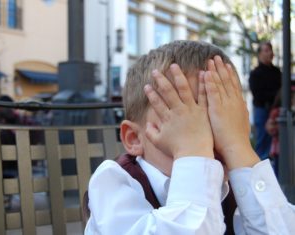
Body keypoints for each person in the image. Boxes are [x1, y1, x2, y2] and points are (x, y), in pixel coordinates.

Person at [84, 41, 295, 234]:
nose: (208, 138)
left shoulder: (233, 188)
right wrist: (192, 152)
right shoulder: (113, 182)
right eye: (187, 123)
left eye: (223, 121)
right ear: (134, 138)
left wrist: (238, 147)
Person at [249, 42, 281, 160]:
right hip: (262, 110)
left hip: (277, 112)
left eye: (271, 50)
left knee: (277, 145)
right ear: (259, 54)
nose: (270, 53)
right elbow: (258, 95)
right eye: (266, 50)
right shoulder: (255, 73)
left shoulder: (277, 72)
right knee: (262, 144)